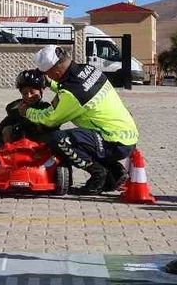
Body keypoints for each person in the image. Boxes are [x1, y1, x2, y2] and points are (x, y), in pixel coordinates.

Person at [20, 45, 140, 195]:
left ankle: (98, 175)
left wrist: (28, 112)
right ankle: (115, 172)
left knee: (58, 139)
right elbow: (76, 86)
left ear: (56, 71)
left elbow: (50, 119)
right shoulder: (89, 70)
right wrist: (51, 84)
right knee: (85, 138)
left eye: (48, 74)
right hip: (127, 136)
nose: (48, 77)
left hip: (113, 141)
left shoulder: (71, 95)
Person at [0, 69, 51, 145]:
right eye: (25, 93)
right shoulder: (15, 108)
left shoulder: (47, 108)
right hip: (17, 151)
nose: (29, 96)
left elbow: (53, 128)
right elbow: (2, 127)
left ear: (41, 90)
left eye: (32, 92)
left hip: (41, 151)